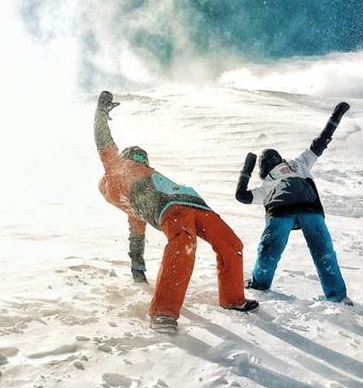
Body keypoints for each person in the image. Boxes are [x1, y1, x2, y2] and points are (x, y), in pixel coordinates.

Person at [93, 90, 258, 333]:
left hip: (197, 204)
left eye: (143, 157)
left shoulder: (147, 175)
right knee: (184, 245)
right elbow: (104, 143)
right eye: (137, 157)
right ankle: (163, 312)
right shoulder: (118, 171)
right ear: (127, 157)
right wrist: (100, 114)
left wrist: (138, 269)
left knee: (231, 243)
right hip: (171, 210)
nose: (142, 161)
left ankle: (233, 299)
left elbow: (137, 236)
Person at [235, 102, 352, 304]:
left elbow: (241, 196)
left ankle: (260, 284)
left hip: (282, 211)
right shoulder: (298, 164)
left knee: (269, 251)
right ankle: (338, 296)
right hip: (309, 209)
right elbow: (320, 142)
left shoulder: (271, 180)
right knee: (323, 252)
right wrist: (336, 116)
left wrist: (247, 168)